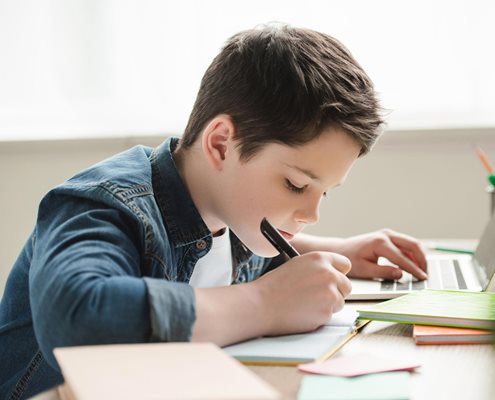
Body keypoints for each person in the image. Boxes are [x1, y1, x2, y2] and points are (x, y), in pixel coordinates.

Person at [0, 24, 428, 398]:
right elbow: (80, 315)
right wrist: (263, 304)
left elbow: (216, 255)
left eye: (325, 192)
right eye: (296, 184)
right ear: (221, 143)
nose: (311, 212)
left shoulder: (230, 209)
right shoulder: (102, 204)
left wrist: (339, 250)